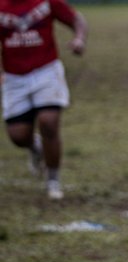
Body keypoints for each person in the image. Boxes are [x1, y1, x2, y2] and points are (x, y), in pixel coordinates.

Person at [0, 0, 87, 200]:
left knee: (48, 123)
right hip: (13, 77)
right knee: (18, 137)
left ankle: (53, 180)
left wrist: (79, 39)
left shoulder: (47, 2)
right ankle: (35, 147)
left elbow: (77, 20)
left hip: (46, 71)